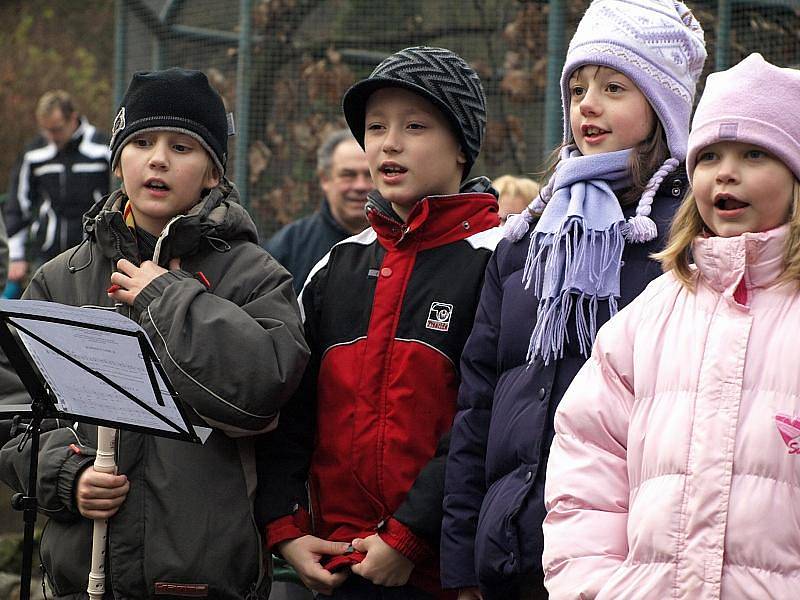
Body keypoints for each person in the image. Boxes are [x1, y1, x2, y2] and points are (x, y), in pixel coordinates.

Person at [0, 68, 309, 599]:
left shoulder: (254, 276)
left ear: (213, 173)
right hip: (79, 578)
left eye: (182, 146)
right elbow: (12, 412)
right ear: (119, 159)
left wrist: (164, 296)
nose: (158, 158)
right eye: (141, 142)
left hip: (202, 580)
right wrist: (62, 476)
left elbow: (262, 392)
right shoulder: (59, 278)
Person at [440, 1, 707, 598]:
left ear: (664, 106)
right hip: (513, 552)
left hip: (633, 560)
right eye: (578, 87)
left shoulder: (690, 240)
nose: (587, 104)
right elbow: (478, 402)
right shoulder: (527, 240)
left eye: (614, 87)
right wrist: (463, 560)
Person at [542, 53, 800, 600]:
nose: (725, 172)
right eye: (709, 157)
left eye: (754, 153)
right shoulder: (651, 314)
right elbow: (586, 465)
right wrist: (596, 588)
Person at [255, 46, 501, 600]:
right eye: (375, 127)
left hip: (449, 573)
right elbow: (291, 414)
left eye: (415, 125)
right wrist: (288, 528)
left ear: (462, 145)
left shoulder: (506, 259)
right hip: (338, 565)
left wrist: (410, 536)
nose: (389, 142)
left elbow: (486, 422)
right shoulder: (334, 267)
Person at [5, 90, 111, 291]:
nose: (52, 137)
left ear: (73, 118)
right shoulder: (34, 153)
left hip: (93, 254)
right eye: (46, 130)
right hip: (46, 255)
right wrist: (16, 255)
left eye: (57, 129)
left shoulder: (103, 148)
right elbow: (18, 205)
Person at [264, 129, 372, 293]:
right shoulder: (288, 247)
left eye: (369, 175)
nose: (360, 186)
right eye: (348, 175)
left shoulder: (404, 243)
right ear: (325, 179)